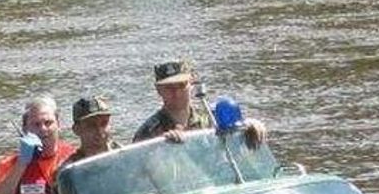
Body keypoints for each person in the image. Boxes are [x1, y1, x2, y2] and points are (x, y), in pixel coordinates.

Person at [132, 59, 266, 147]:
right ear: (158, 90)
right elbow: (141, 176)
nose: (176, 93)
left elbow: (234, 137)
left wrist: (250, 126)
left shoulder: (211, 119)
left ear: (191, 84)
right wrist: (162, 147)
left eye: (181, 85)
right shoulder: (147, 132)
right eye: (169, 88)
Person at [62, 95, 121, 166]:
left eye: (104, 123)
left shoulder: (124, 155)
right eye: (91, 125)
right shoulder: (71, 170)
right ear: (76, 129)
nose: (99, 131)